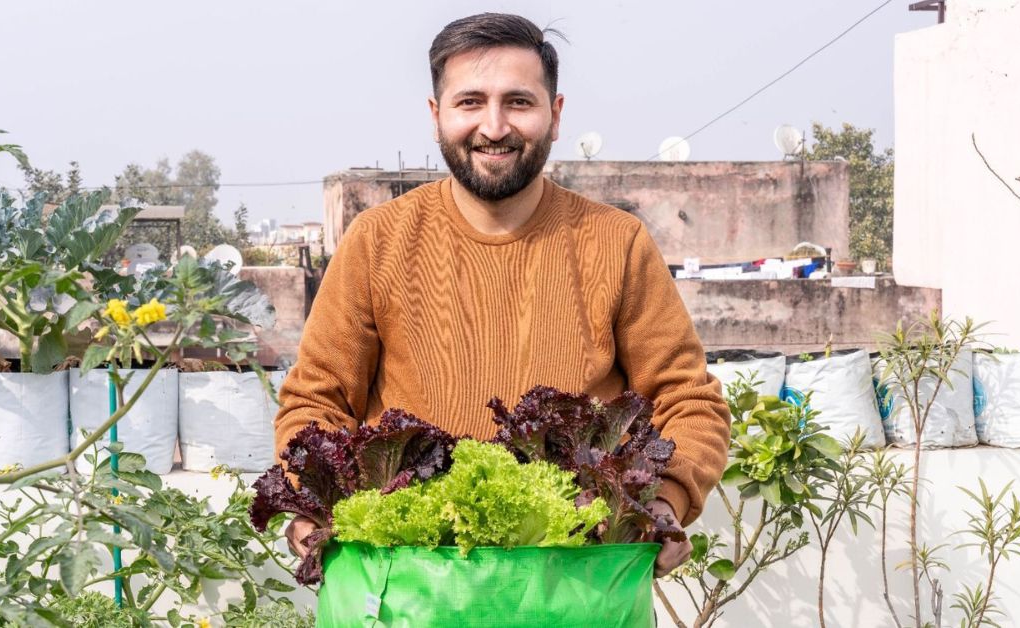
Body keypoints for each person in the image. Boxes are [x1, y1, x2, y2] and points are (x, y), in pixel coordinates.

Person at [275, 12, 730, 578]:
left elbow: (687, 400)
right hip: (412, 585)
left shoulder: (616, 242)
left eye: (519, 102)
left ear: (555, 115)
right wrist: (309, 502)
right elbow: (315, 402)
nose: (494, 126)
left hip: (574, 584)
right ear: (436, 115)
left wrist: (663, 500)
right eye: (470, 102)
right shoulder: (378, 240)